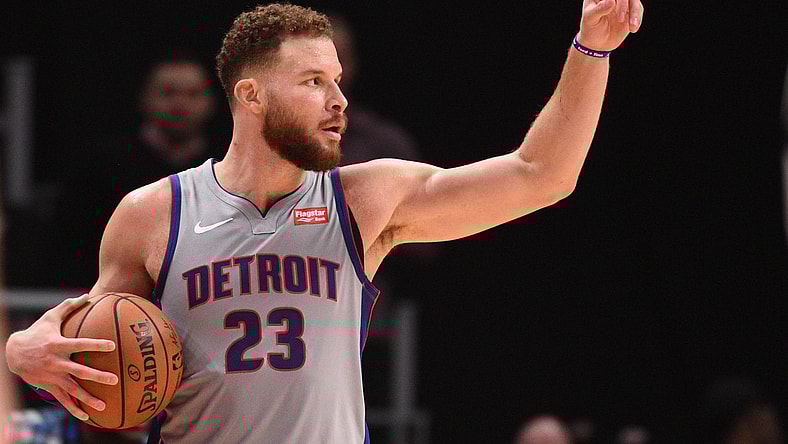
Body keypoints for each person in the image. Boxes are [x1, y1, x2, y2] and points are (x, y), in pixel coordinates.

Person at [4, 2, 644, 443]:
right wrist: (23, 350)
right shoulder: (152, 214)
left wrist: (592, 48)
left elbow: (541, 175)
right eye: (313, 81)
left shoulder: (365, 198)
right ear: (251, 96)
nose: (339, 99)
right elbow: (95, 345)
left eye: (337, 79)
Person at [54, 47, 226, 289]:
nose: (179, 103)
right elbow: (69, 243)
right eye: (168, 93)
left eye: (192, 94)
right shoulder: (101, 164)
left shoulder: (227, 165)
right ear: (145, 97)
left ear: (211, 102)